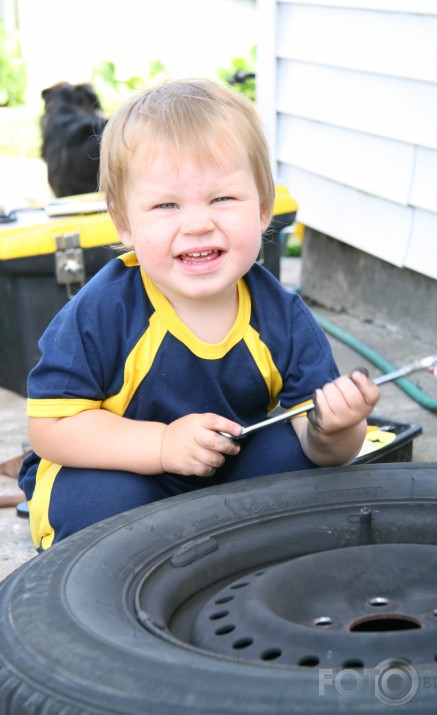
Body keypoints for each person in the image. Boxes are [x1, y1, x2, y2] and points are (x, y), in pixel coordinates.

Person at [19, 78, 380, 552]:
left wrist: (337, 428)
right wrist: (163, 446)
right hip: (120, 470)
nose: (197, 223)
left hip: (226, 473)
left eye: (222, 199)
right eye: (167, 205)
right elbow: (51, 428)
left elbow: (317, 447)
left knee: (301, 460)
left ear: (263, 209)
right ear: (124, 223)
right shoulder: (103, 309)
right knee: (96, 502)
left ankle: (237, 554)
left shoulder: (281, 316)